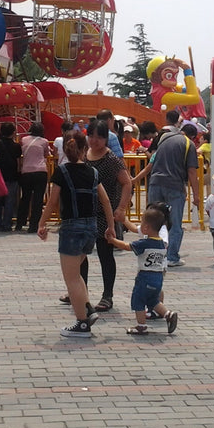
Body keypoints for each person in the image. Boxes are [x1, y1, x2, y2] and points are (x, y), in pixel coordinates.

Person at [37, 130, 114, 338]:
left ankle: (82, 324)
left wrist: (41, 224)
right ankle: (87, 309)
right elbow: (105, 201)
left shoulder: (61, 172)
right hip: (91, 228)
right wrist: (111, 226)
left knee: (70, 278)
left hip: (71, 229)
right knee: (77, 274)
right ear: (84, 149)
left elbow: (53, 202)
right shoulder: (93, 172)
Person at [106, 205, 179, 335]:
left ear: (146, 228)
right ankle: (168, 314)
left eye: (142, 223)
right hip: (158, 278)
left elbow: (126, 246)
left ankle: (141, 326)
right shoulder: (162, 243)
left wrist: (112, 240)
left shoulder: (144, 243)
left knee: (138, 300)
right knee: (153, 301)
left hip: (145, 277)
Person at [85, 120, 132, 312]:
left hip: (105, 213)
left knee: (105, 254)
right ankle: (80, 291)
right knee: (80, 255)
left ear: (106, 138)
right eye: (92, 136)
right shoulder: (84, 154)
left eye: (99, 137)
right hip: (85, 212)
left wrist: (121, 208)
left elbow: (127, 182)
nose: (95, 141)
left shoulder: (111, 159)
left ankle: (107, 295)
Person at [146, 121, 201, 267]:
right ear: (192, 136)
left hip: (155, 183)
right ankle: (171, 257)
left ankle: (152, 254)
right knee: (175, 223)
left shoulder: (165, 139)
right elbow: (191, 171)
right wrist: (196, 195)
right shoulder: (189, 144)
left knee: (154, 221)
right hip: (174, 187)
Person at [15, 122, 53, 234]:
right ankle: (34, 225)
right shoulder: (45, 141)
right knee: (38, 200)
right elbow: (46, 154)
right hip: (40, 171)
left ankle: (20, 222)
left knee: (25, 198)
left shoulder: (24, 140)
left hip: (26, 171)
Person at [0, 123, 21, 232]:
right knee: (10, 200)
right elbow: (18, 161)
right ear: (13, 133)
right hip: (12, 175)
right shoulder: (16, 146)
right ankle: (7, 224)